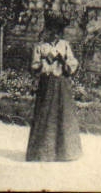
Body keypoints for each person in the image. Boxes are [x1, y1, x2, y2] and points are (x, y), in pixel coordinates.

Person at [25, 14, 83, 162]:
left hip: (62, 83)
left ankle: (65, 153)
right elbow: (34, 66)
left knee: (63, 115)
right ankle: (42, 153)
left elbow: (73, 63)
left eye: (58, 30)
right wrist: (45, 61)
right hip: (47, 83)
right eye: (52, 30)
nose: (55, 33)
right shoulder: (40, 46)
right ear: (48, 30)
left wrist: (64, 61)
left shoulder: (64, 45)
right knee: (45, 115)